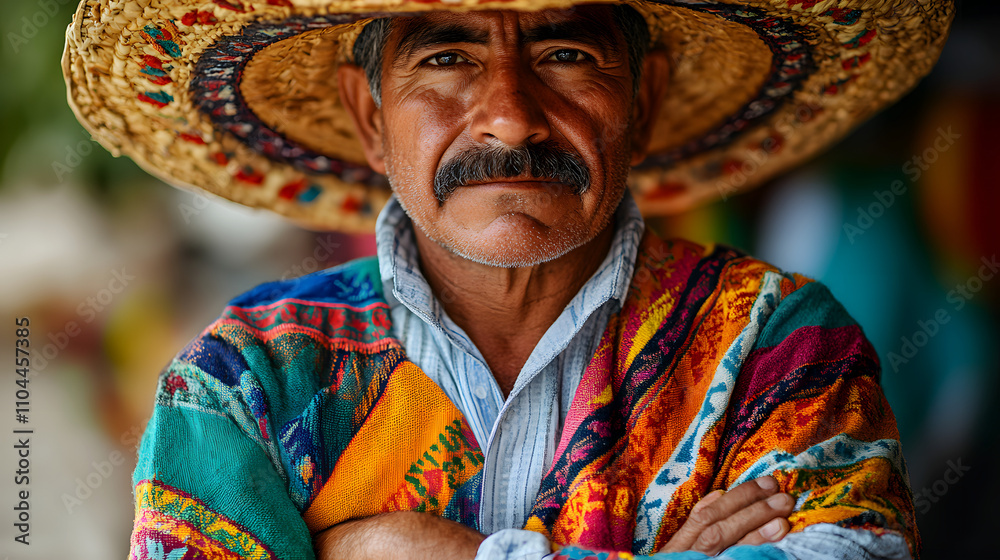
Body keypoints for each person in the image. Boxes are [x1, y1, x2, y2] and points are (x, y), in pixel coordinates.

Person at [61, 0, 953, 558]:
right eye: (447, 58)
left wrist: (431, 554)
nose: (511, 118)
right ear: (370, 116)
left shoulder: (778, 343)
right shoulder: (248, 380)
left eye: (566, 54)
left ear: (642, 100)